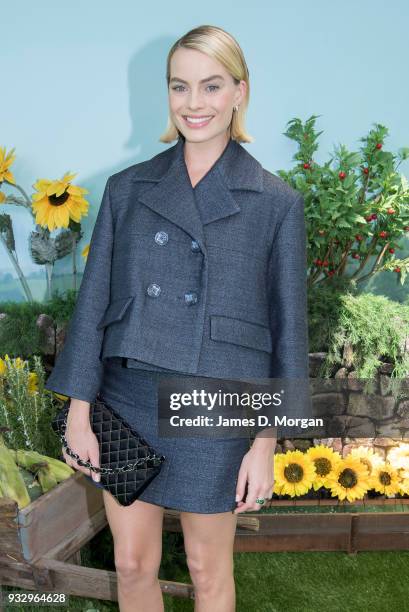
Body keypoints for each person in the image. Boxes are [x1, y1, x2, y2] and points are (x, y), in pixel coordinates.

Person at [45, 24, 309, 612]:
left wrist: (265, 444)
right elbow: (93, 306)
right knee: (132, 563)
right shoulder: (127, 189)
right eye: (180, 87)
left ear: (240, 92)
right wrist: (79, 411)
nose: (195, 104)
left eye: (211, 87)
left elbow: (289, 334)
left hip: (214, 405)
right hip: (125, 396)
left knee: (205, 569)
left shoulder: (276, 203)